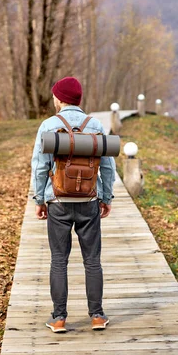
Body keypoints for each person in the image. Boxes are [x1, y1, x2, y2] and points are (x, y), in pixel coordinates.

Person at [31, 77, 116, 333]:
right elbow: (108, 167)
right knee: (92, 261)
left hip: (57, 201)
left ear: (59, 99)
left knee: (59, 260)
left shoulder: (48, 125)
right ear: (79, 100)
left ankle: (59, 319)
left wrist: (39, 199)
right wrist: (106, 198)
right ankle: (97, 316)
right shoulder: (96, 125)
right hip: (89, 201)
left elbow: (40, 166)